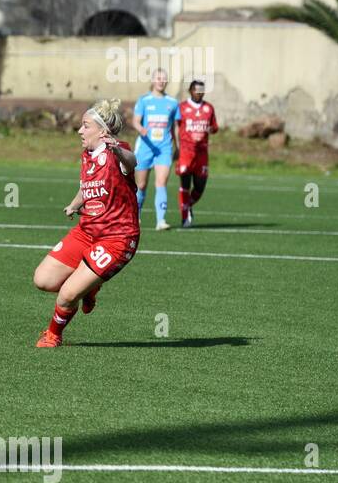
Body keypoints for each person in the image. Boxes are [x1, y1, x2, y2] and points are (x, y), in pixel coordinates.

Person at [32, 98, 140, 348]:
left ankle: (53, 335)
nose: (80, 131)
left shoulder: (118, 151)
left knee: (67, 294)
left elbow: (132, 162)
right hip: (86, 232)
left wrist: (117, 150)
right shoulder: (86, 156)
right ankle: (89, 288)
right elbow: (87, 187)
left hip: (117, 239)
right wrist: (75, 204)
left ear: (102, 131)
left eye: (85, 126)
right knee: (42, 280)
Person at [131, 68, 180, 230]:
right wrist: (141, 129)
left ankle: (161, 221)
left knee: (161, 182)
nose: (161, 81)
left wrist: (177, 146)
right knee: (141, 185)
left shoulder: (172, 103)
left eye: (164, 78)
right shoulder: (144, 100)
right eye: (158, 78)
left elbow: (175, 127)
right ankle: (135, 216)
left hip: (164, 148)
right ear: (153, 80)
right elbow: (136, 121)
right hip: (145, 147)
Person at [176, 78, 219, 227]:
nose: (199, 93)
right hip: (186, 153)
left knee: (200, 187)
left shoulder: (209, 108)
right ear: (190, 91)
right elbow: (174, 126)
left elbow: (214, 127)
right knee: (185, 185)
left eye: (202, 90)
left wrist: (211, 129)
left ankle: (187, 205)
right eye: (196, 90)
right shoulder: (181, 108)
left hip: (202, 153)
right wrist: (174, 146)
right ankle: (184, 218)